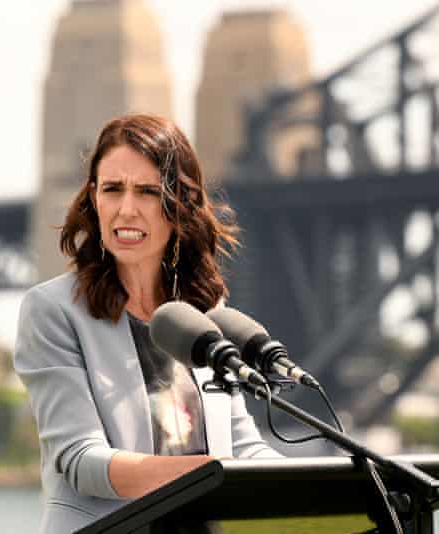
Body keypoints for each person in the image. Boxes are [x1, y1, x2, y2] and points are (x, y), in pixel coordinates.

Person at [14, 113, 281, 533]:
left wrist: (308, 480)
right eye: (112, 189)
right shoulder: (52, 310)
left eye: (147, 192)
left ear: (179, 205)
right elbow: (81, 460)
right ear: (93, 199)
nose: (126, 210)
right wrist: (212, 470)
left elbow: (242, 444)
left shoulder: (205, 313)